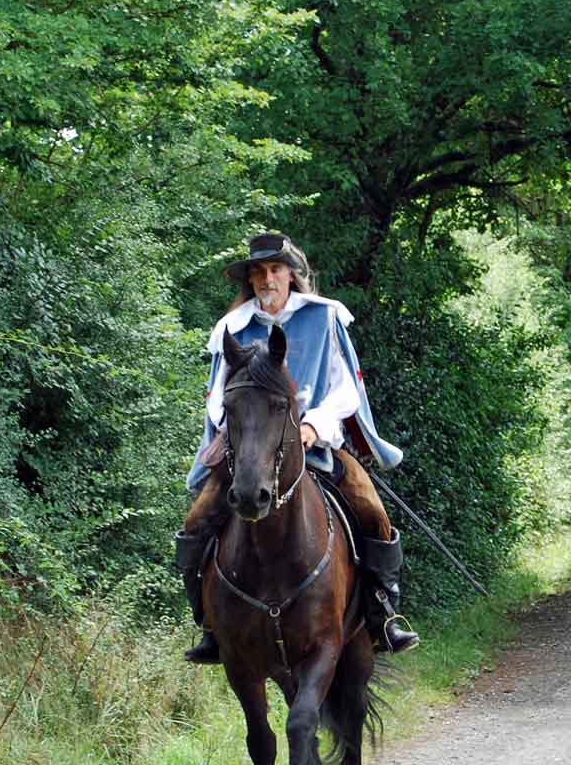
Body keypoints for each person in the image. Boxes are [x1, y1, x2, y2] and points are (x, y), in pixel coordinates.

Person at [175, 231, 420, 662]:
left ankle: (384, 614)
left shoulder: (325, 318)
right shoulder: (231, 330)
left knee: (371, 509)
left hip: (317, 447)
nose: (267, 279)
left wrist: (313, 425)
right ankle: (209, 625)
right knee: (195, 523)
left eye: (275, 270)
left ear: (291, 274)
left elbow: (345, 391)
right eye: (259, 273)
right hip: (250, 452)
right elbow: (216, 398)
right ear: (250, 281)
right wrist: (237, 428)